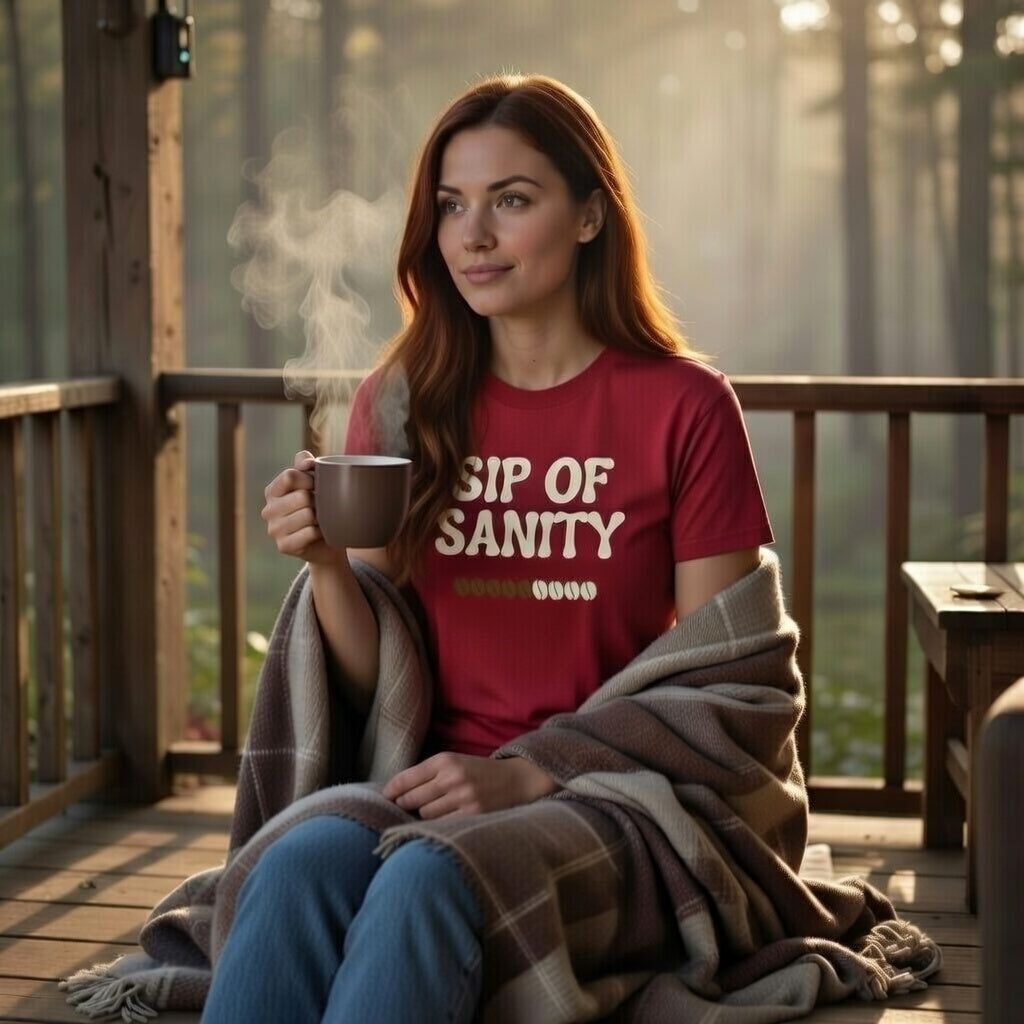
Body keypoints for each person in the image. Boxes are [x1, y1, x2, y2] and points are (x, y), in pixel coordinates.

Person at [204, 72, 772, 1023]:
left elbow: (727, 684)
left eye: (511, 200)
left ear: (589, 215)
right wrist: (328, 565)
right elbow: (375, 672)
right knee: (295, 863)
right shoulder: (401, 398)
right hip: (431, 784)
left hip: (620, 800)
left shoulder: (687, 408)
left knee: (427, 878)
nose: (472, 235)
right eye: (451, 205)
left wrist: (534, 769)